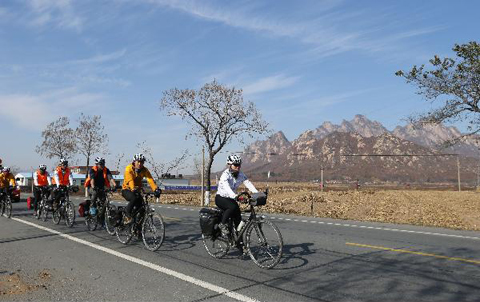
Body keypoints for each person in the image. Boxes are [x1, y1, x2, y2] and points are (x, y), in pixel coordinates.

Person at [215, 155, 258, 238]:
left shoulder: (241, 174)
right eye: (236, 165)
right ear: (230, 165)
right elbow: (227, 187)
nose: (238, 167)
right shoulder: (225, 175)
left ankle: (239, 241)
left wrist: (257, 193)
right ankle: (222, 225)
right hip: (221, 198)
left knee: (238, 217)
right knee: (232, 207)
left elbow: (248, 183)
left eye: (239, 165)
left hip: (231, 198)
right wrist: (234, 195)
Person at [121, 153, 161, 224]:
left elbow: (150, 180)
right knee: (134, 198)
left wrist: (155, 189)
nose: (140, 163)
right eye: (138, 161)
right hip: (126, 190)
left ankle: (138, 231)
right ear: (134, 162)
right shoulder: (128, 169)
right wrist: (133, 188)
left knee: (142, 208)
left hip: (136, 190)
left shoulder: (144, 170)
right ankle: (127, 214)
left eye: (142, 162)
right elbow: (130, 181)